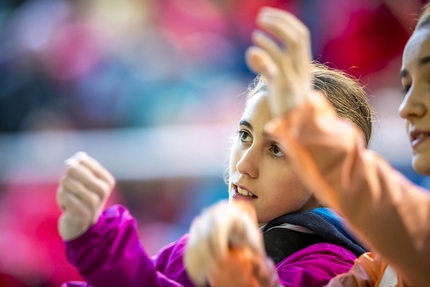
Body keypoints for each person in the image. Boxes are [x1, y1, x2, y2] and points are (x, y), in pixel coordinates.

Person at [57, 62, 373, 285]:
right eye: (245, 136)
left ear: (329, 174)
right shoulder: (200, 245)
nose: (243, 165)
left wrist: (99, 241)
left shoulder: (332, 268)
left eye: (276, 149)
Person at [234, 4, 430, 287]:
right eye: (406, 87)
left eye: (277, 148)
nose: (407, 107)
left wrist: (308, 125)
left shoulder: (325, 259)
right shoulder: (379, 265)